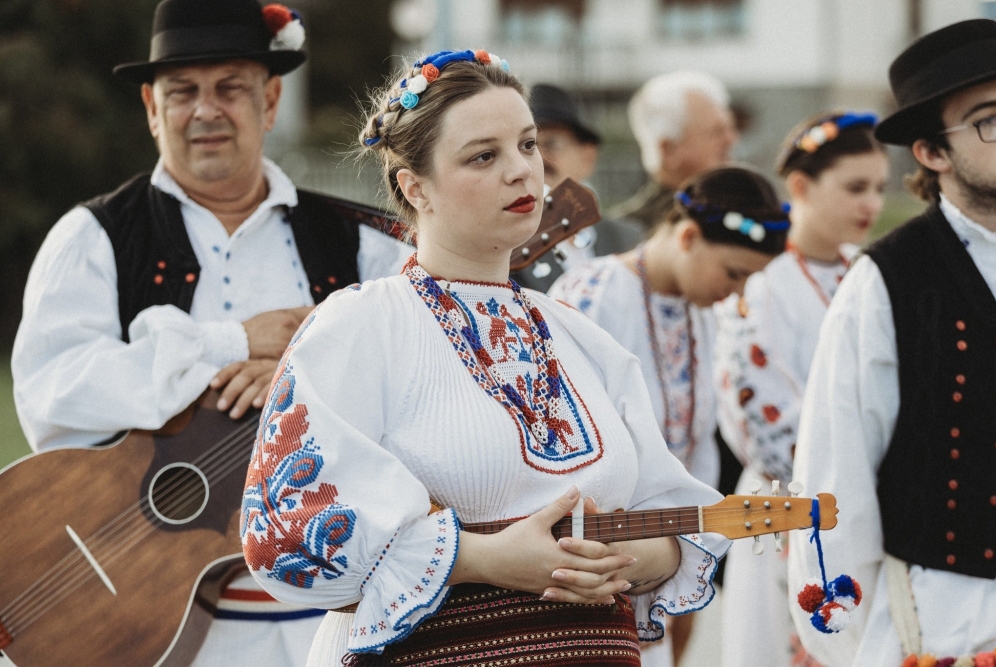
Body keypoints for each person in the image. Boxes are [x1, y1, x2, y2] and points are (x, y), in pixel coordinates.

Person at [239, 49, 729, 667]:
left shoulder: (582, 338)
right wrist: (483, 559)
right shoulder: (361, 325)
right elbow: (285, 531)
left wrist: (619, 557)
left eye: (528, 145)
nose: (522, 171)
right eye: (483, 156)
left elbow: (673, 517)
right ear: (414, 187)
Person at [11, 0, 410, 665]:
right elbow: (51, 392)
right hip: (152, 613)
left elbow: (424, 384)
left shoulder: (364, 244)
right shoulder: (94, 237)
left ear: (270, 100)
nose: (206, 110)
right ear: (151, 106)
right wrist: (231, 342)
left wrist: (307, 382)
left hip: (329, 625)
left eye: (229, 88)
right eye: (182, 91)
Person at [787, 19, 996, 667]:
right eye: (991, 120)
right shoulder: (886, 282)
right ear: (932, 153)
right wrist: (852, 639)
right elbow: (835, 477)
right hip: (947, 621)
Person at [549, 165, 789, 665]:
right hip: (580, 564)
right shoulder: (592, 294)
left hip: (652, 564)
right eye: (734, 273)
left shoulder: (701, 311)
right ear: (688, 236)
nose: (737, 291)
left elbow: (694, 452)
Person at [714, 111, 887, 667]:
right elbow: (760, 419)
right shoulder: (760, 279)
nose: (872, 204)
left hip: (872, 506)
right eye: (855, 188)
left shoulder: (870, 273)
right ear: (801, 186)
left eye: (880, 188)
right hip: (786, 506)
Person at [512, 84, 643, 292]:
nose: (540, 158)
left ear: (587, 157)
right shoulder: (505, 245)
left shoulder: (628, 238)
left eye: (551, 144)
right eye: (528, 146)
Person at [608, 70, 739, 233]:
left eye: (731, 129)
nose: (731, 140)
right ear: (668, 149)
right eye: (716, 131)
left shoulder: (745, 213)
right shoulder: (625, 234)